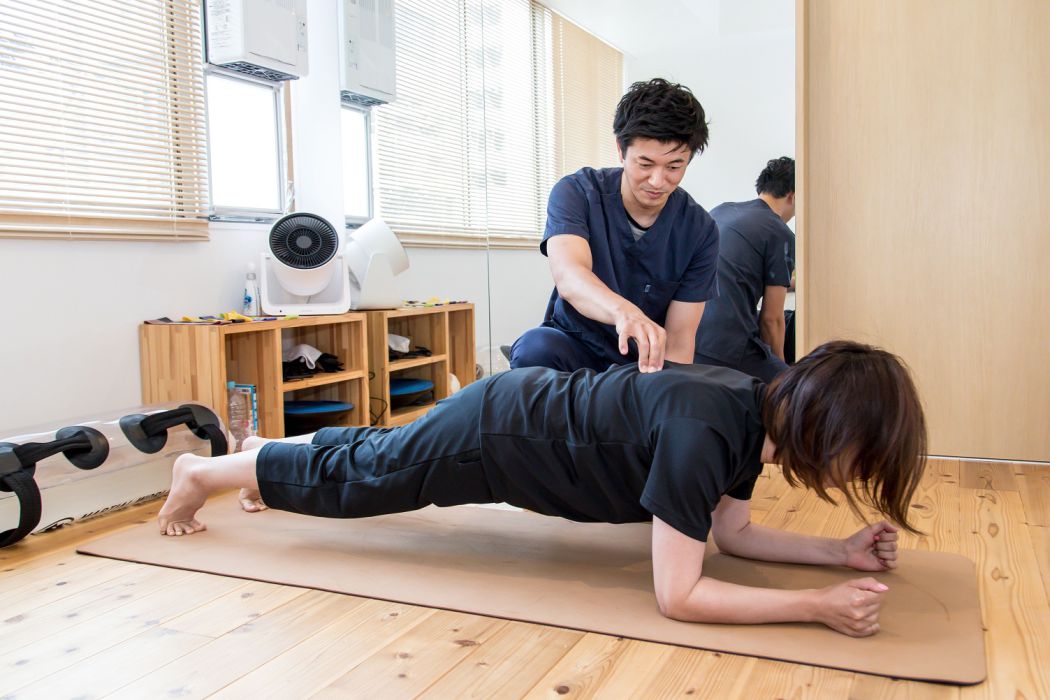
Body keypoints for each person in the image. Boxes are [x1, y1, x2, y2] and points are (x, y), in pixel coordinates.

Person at [159, 340, 927, 638]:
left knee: (376, 455)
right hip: (501, 435)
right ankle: (202, 473)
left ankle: (259, 455)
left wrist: (839, 555)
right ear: (827, 428)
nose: (860, 475)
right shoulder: (707, 432)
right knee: (364, 480)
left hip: (517, 413)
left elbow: (734, 534)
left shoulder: (753, 412)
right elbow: (681, 595)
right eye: (864, 458)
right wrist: (816, 607)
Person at [510, 78, 719, 375]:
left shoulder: (700, 230)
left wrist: (670, 390)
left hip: (639, 366)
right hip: (574, 346)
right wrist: (624, 313)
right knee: (534, 348)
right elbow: (570, 275)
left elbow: (679, 342)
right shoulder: (577, 193)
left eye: (674, 167)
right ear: (621, 150)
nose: (658, 181)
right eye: (645, 164)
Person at [695, 157, 796, 383]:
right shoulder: (780, 232)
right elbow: (771, 320)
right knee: (794, 386)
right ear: (793, 196)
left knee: (787, 319)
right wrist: (782, 374)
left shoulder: (722, 211)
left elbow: (739, 270)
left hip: (690, 335)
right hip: (726, 348)